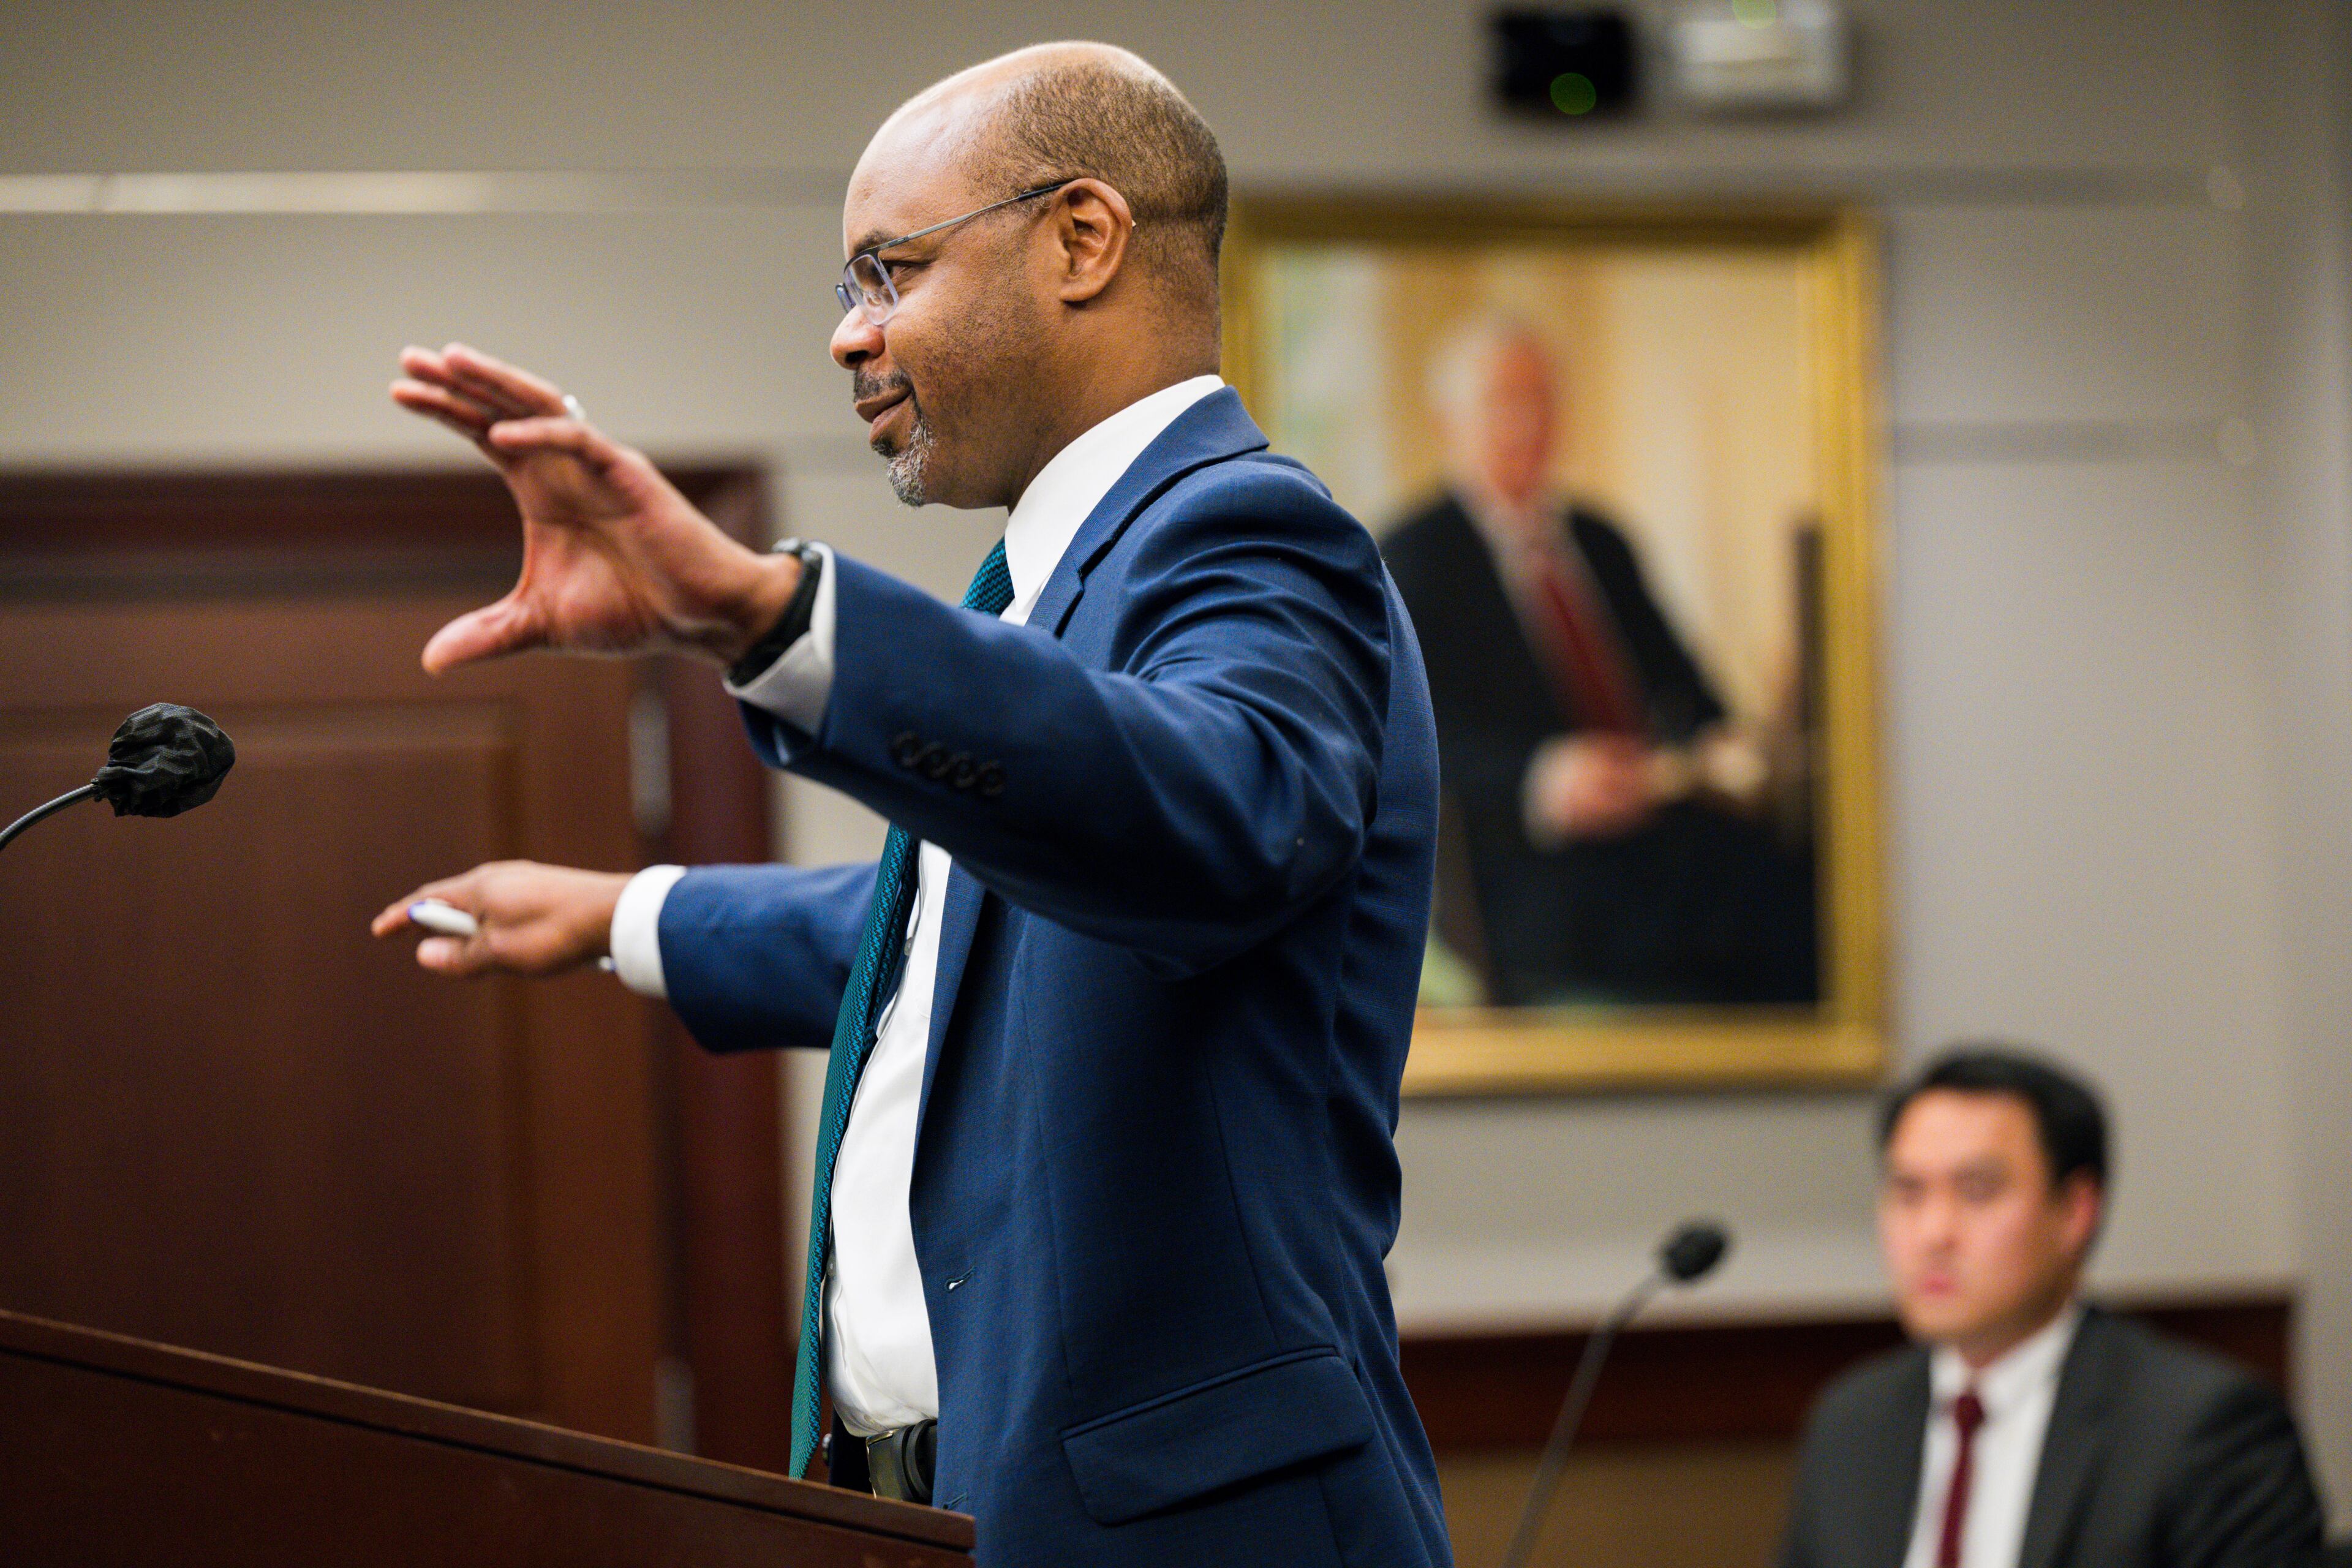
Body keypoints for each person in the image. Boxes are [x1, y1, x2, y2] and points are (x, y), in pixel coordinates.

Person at [369, 42, 1451, 1568]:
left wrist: (768, 615)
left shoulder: (1242, 530)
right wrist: (625, 911)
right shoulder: (1044, 587)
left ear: (1083, 239)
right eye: (847, 289)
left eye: (891, 271)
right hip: (942, 1507)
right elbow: (963, 935)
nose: (849, 336)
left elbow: (1212, 818)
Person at [1379, 318, 1815, 1006]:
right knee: (1741, 921)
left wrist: (1723, 746)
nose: (1528, 423)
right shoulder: (1413, 558)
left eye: (1542, 400)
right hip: (1527, 867)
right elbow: (1410, 745)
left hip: (1652, 828)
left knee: (1797, 871)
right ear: (1448, 422)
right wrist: (1541, 776)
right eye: (1505, 402)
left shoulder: (1600, 541)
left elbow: (1686, 687)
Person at [1779, 1047, 2324, 1568]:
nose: (1934, 1233)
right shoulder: (1853, 1423)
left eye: (1976, 1191)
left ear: (2075, 1211)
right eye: (1908, 1193)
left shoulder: (2202, 1428)